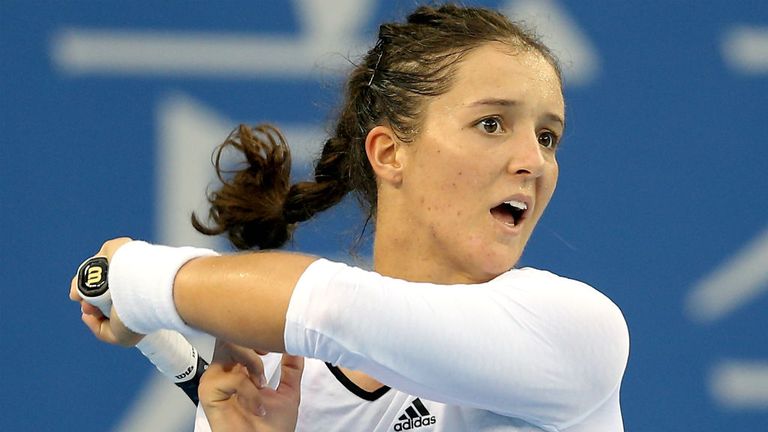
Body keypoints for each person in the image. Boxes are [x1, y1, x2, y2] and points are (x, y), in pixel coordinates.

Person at [70, 4, 629, 431]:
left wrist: (137, 277)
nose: (534, 161)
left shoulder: (574, 332)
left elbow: (333, 309)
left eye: (548, 136)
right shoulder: (277, 387)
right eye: (491, 124)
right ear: (390, 153)